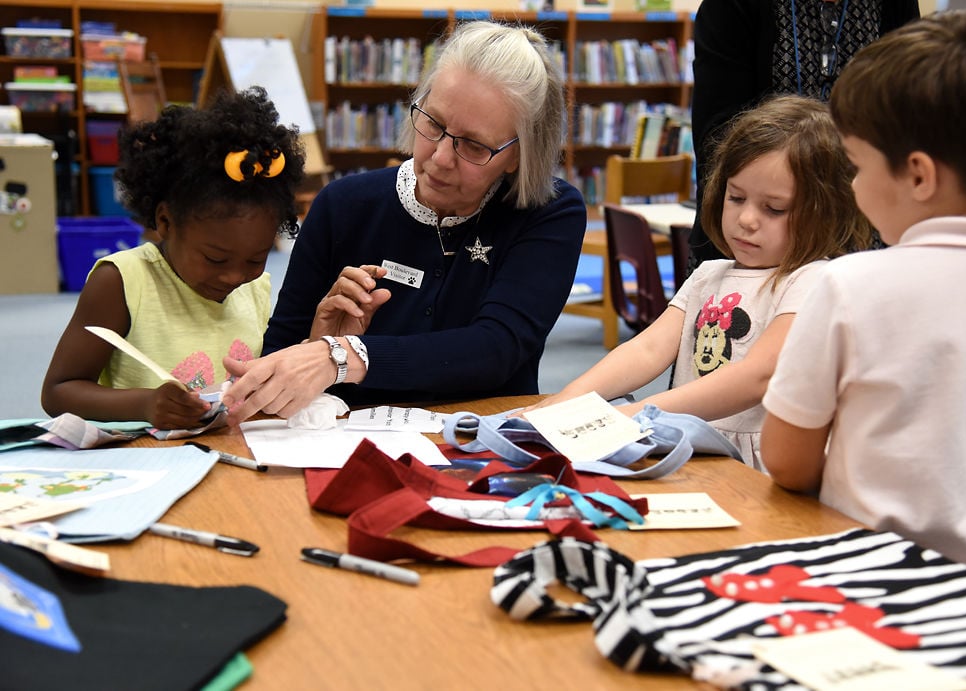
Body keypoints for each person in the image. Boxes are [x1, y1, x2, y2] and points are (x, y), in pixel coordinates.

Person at [761, 7, 966, 588]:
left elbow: (786, 461)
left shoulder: (851, 285)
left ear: (919, 176)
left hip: (882, 590)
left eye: (855, 166)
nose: (851, 187)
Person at [220, 20, 587, 422]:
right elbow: (279, 359)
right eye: (433, 123)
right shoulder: (342, 205)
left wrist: (345, 356)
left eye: (473, 145)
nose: (440, 157)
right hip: (345, 442)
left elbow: (497, 348)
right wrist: (319, 341)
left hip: (482, 443)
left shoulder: (550, 213)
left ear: (521, 154)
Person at [521, 95, 870, 470]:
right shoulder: (709, 275)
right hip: (687, 451)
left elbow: (758, 376)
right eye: (736, 198)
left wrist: (638, 415)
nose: (747, 219)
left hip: (755, 468)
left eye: (774, 208)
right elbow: (648, 349)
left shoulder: (813, 280)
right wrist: (567, 401)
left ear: (827, 210)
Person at [40, 87, 306, 430]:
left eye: (256, 258)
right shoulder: (122, 281)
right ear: (165, 222)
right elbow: (58, 392)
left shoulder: (254, 289)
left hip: (226, 453)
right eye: (215, 258)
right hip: (146, 462)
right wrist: (146, 403)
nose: (234, 276)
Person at [688, 0, 919, 266]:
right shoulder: (732, 8)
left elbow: (904, 124)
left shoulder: (893, 7)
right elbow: (718, 143)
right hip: (752, 251)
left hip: (862, 238)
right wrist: (775, 204)